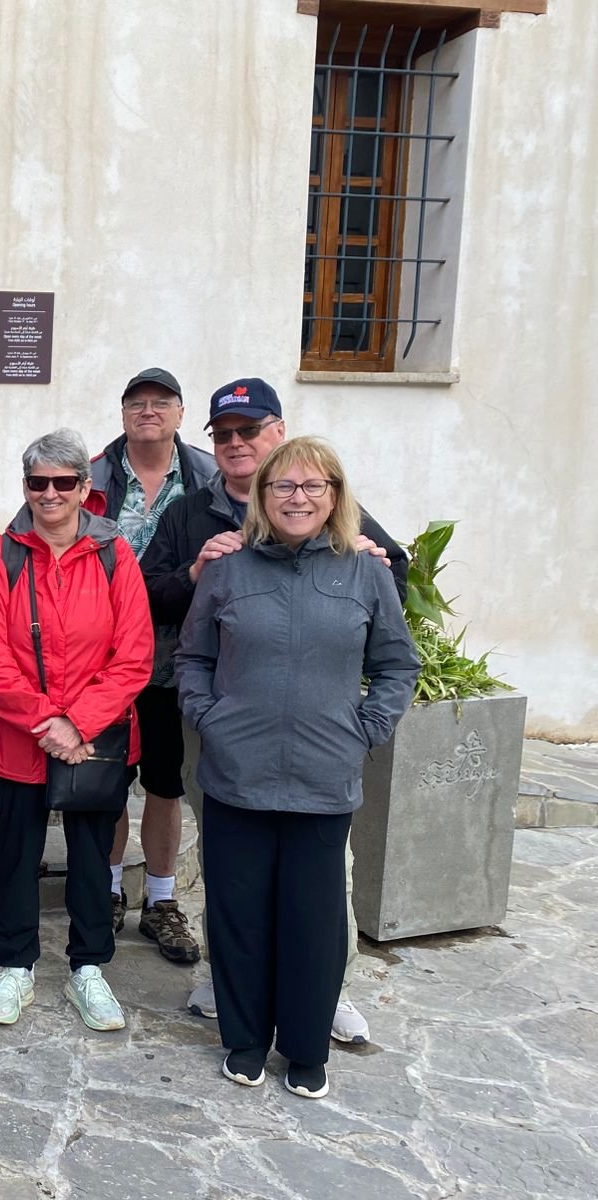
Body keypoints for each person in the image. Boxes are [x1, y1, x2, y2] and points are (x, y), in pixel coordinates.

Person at [141, 377, 408, 1041]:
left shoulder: (318, 493)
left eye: (249, 431)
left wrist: (367, 725)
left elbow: (389, 587)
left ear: (275, 433)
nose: (236, 443)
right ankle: (236, 982)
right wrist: (197, 574)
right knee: (234, 864)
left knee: (321, 882)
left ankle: (322, 991)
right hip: (229, 717)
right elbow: (152, 597)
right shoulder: (190, 510)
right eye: (224, 434)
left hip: (321, 740)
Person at [0, 429, 153, 1031]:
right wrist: (48, 721)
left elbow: (134, 655)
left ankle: (88, 967)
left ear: (84, 488)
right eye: (38, 482)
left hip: (94, 739)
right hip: (16, 739)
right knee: (15, 857)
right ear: (26, 487)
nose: (50, 493)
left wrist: (78, 721)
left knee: (93, 858)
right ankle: (15, 966)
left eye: (63, 482)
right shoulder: (2, 554)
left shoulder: (114, 555)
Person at [86, 367, 214, 964]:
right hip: (101, 660)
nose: (148, 411)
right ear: (122, 414)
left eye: (161, 402)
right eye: (136, 402)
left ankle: (160, 901)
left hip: (175, 659)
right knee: (108, 781)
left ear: (181, 414)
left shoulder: (209, 480)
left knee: (165, 785)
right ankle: (108, 891)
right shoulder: (90, 477)